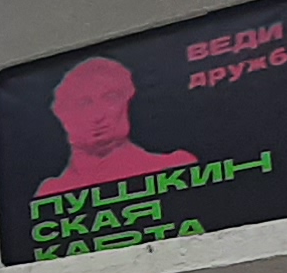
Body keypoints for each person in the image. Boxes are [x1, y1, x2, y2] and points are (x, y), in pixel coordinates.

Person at [36, 55, 194, 196]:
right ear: (63, 115)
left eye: (110, 98)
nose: (98, 115)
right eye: (84, 103)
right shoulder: (51, 192)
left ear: (127, 102)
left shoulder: (172, 168)